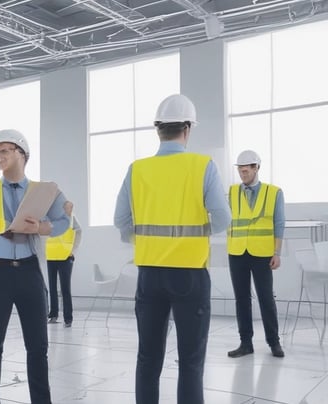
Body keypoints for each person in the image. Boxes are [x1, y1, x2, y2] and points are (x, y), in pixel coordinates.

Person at [114, 94, 231, 404]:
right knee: (191, 362)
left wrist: (146, 242)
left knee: (148, 359)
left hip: (149, 275)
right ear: (188, 129)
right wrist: (196, 236)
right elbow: (223, 219)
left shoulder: (137, 169)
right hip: (190, 275)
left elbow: (121, 220)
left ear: (158, 129)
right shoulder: (202, 166)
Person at [0, 129, 69, 404]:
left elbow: (65, 221)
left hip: (30, 271)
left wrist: (42, 227)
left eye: (6, 150)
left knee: (38, 346)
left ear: (22, 154)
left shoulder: (44, 190)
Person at [227, 149, 285, 358]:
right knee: (241, 299)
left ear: (256, 168)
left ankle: (274, 343)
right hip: (237, 252)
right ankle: (245, 343)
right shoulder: (232, 192)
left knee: (266, 298)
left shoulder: (273, 192)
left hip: (262, 253)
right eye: (240, 171)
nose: (243, 175)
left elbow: (279, 224)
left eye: (246, 171)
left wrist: (276, 252)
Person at [46, 200, 82, 328]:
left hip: (66, 256)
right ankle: (53, 315)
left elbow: (79, 231)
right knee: (52, 287)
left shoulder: (71, 218)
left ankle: (68, 318)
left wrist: (74, 251)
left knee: (65, 288)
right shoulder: (49, 217)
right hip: (51, 256)